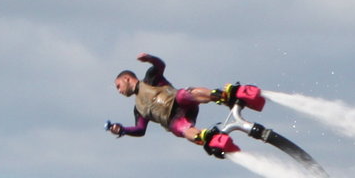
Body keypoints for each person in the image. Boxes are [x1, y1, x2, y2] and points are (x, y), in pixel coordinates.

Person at [106, 55, 265, 158]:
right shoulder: (138, 109)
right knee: (178, 129)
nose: (118, 91)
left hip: (181, 102)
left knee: (184, 93)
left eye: (118, 86)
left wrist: (150, 59)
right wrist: (122, 130)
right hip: (177, 119)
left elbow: (160, 65)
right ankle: (204, 137)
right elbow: (140, 130)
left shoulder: (150, 79)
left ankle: (224, 96)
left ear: (127, 78)